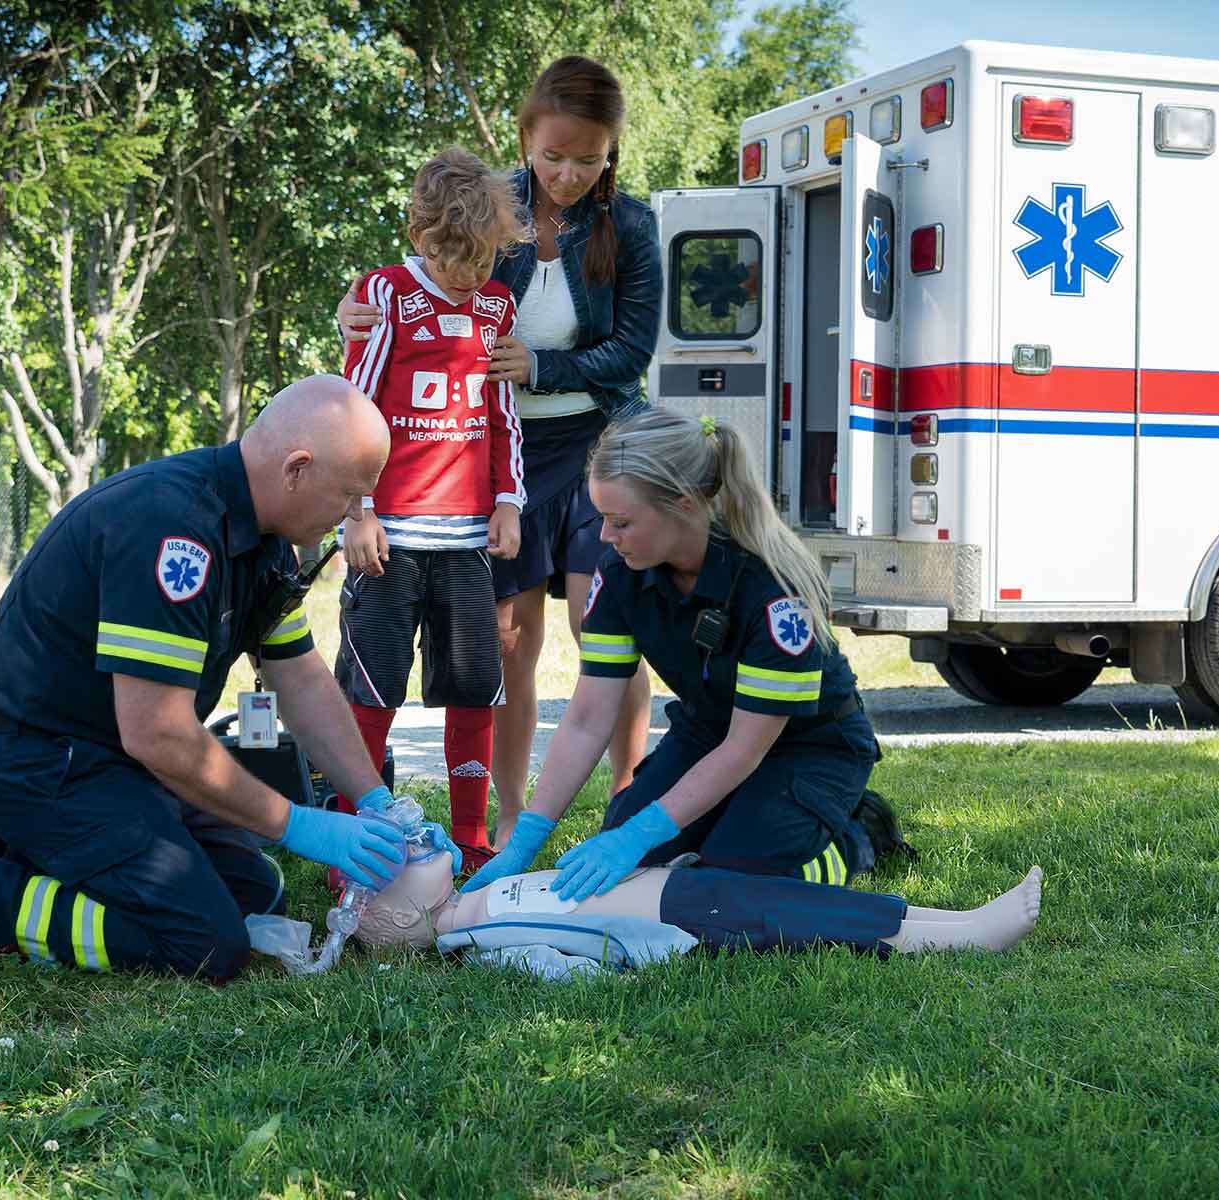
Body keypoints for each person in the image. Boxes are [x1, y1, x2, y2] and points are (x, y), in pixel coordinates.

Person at [0, 376, 458, 983]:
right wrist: (296, 823)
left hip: (109, 761)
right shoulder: (172, 530)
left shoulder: (265, 544)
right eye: (350, 495)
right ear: (297, 469)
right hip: (38, 764)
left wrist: (378, 800)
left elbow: (301, 680)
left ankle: (39, 855)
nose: (353, 515)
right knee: (204, 943)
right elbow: (157, 733)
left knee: (258, 898)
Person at [337, 56, 663, 851]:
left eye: (589, 159)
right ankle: (507, 815)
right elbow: (422, 279)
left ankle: (629, 802)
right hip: (501, 447)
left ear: (611, 151)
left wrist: (544, 366)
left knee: (602, 620)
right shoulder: (490, 208)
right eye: (554, 156)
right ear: (525, 140)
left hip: (596, 437)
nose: (570, 174)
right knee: (508, 637)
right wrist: (357, 305)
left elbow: (632, 350)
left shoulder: (631, 226)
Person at [465, 406, 882, 902]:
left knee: (735, 880)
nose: (604, 536)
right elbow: (587, 719)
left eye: (621, 522)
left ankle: (859, 837)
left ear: (683, 505)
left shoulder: (773, 588)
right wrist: (527, 837)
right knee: (636, 865)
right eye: (602, 519)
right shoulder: (619, 574)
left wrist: (640, 833)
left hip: (807, 746)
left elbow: (744, 749)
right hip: (708, 732)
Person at [334, 146, 528, 872]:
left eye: (483, 260)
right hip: (389, 537)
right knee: (373, 691)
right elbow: (353, 409)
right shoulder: (384, 294)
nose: (469, 275)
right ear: (421, 238)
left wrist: (508, 502)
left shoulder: (496, 305)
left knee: (474, 689)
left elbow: (503, 415)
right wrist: (358, 509)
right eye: (455, 260)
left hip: (468, 538)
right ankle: (351, 849)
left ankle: (472, 843)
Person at [356, 846, 1045, 961]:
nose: (406, 853)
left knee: (808, 897)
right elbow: (553, 963)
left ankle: (954, 920)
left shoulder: (478, 896)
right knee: (807, 921)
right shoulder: (477, 940)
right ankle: (965, 940)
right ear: (400, 918)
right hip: (687, 919)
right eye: (390, 875)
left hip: (684, 888)